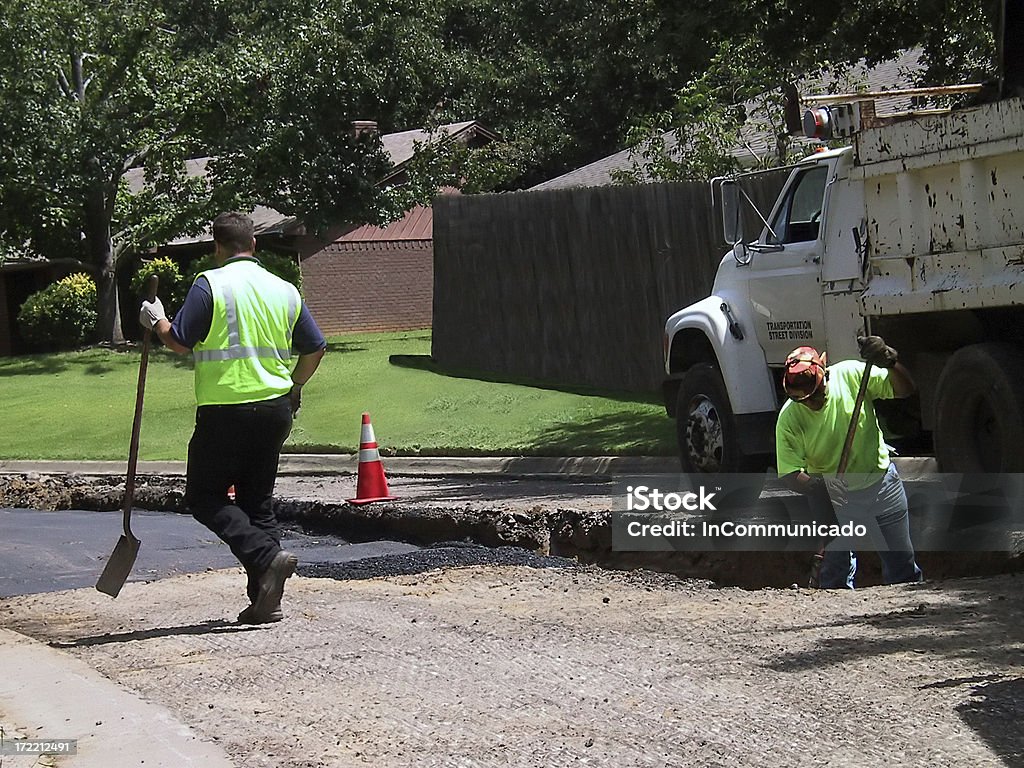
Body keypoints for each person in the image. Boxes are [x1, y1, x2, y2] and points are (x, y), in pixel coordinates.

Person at [139, 212, 327, 623]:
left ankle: (267, 556)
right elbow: (315, 347)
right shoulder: (285, 290)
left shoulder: (211, 284)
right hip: (276, 409)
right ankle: (266, 600)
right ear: (254, 244)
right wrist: (295, 386)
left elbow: (181, 342)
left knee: (205, 498)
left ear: (217, 248)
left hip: (226, 410)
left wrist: (155, 320)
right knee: (257, 504)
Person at [775, 336, 923, 589]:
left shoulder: (852, 375)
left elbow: (905, 389)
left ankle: (909, 618)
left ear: (825, 371)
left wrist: (891, 363)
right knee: (835, 571)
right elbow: (790, 473)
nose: (812, 404)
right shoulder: (789, 419)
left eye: (816, 395)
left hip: (881, 483)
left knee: (901, 563)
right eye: (804, 400)